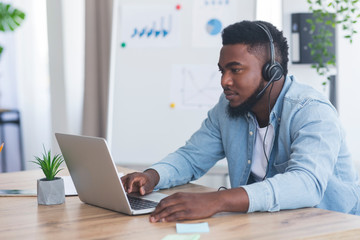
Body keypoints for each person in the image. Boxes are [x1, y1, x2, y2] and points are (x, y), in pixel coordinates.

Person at [121, 20, 360, 222]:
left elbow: (307, 183)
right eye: (222, 70)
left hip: (331, 225)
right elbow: (192, 157)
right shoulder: (227, 108)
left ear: (272, 71)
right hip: (268, 223)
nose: (224, 81)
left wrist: (219, 200)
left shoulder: (312, 111)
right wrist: (152, 176)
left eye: (235, 70)